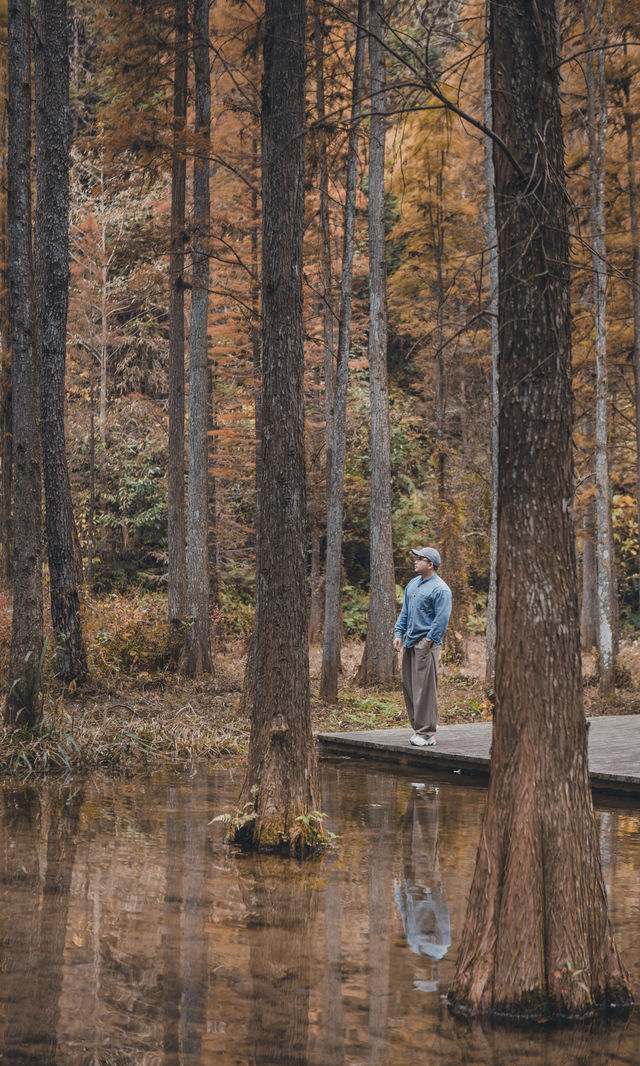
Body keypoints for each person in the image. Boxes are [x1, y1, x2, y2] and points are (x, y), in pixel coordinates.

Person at [393, 546, 452, 747]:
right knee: (409, 686)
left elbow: (441, 619)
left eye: (420, 558)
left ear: (430, 564)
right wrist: (398, 633)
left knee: (425, 689)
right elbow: (405, 612)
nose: (415, 561)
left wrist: (428, 641)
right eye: (416, 558)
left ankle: (427, 734)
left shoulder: (440, 589)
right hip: (410, 642)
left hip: (426, 644)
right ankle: (418, 729)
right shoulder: (413, 584)